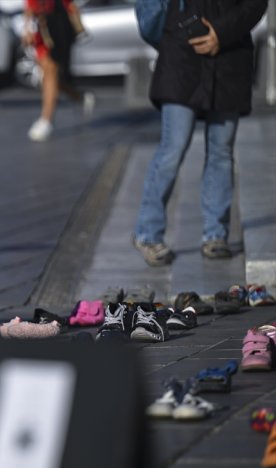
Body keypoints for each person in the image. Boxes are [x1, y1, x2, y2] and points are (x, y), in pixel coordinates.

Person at [132, 0, 267, 267]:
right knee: (173, 147)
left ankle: (216, 234)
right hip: (181, 60)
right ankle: (149, 234)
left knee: (221, 151)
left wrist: (221, 32)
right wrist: (174, 38)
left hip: (229, 59)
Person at [22, 0, 94, 142]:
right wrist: (27, 26)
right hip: (42, 22)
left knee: (50, 71)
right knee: (50, 76)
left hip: (58, 19)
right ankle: (79, 97)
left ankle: (46, 119)